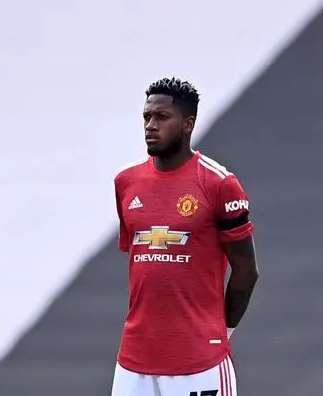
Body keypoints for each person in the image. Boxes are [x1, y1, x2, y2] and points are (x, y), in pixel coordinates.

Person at [110, 77, 259, 396]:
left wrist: (221, 331)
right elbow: (144, 267)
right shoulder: (126, 181)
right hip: (134, 361)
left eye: (162, 117)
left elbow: (246, 272)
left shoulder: (219, 184)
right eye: (147, 117)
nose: (151, 126)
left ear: (188, 124)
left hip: (199, 363)